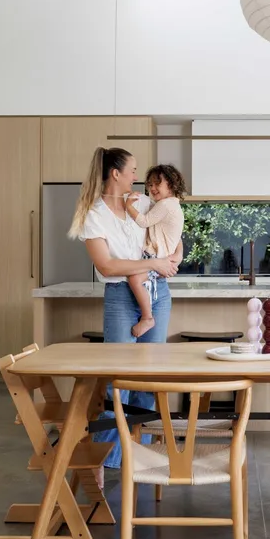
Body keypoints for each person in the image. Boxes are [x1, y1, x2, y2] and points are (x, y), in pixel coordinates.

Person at [69, 147, 183, 471]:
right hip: (121, 295)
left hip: (157, 292)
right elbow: (106, 265)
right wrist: (153, 263)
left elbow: (172, 231)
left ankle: (141, 456)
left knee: (148, 378)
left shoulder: (144, 203)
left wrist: (173, 257)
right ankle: (107, 461)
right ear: (115, 173)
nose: (137, 176)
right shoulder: (94, 214)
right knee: (116, 380)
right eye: (132, 170)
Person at [124, 164, 186, 339]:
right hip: (160, 258)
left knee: (135, 279)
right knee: (137, 279)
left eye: (157, 183)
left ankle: (148, 317)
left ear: (172, 185)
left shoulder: (166, 205)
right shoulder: (170, 205)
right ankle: (148, 316)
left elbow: (144, 221)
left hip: (156, 258)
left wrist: (129, 206)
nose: (152, 188)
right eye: (150, 184)